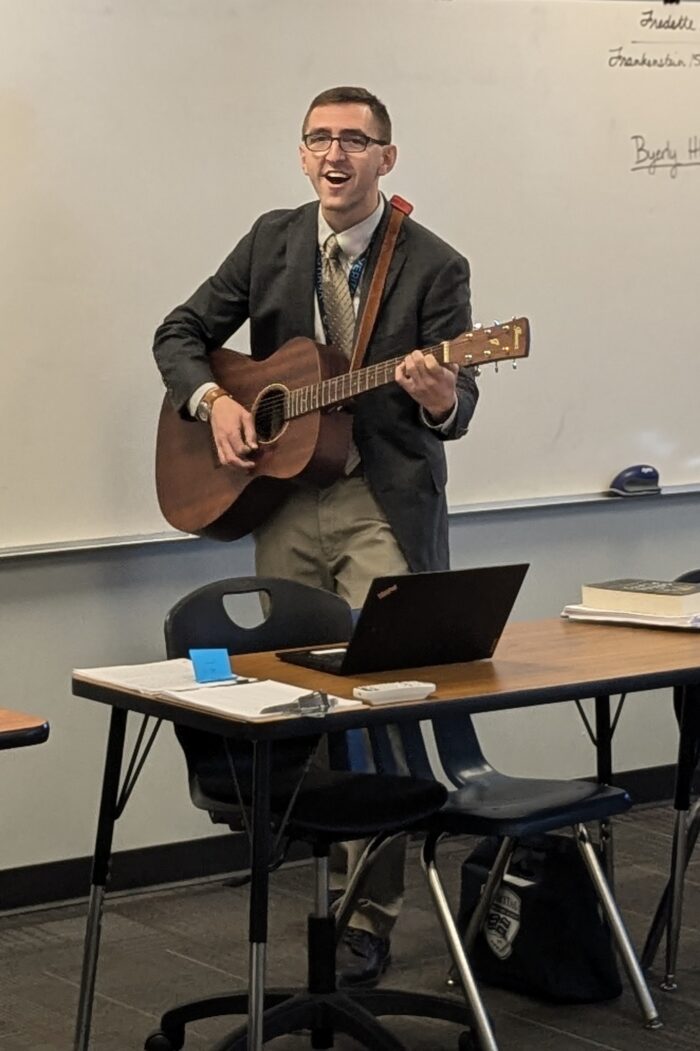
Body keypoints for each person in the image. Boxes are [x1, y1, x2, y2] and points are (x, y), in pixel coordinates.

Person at [153, 85, 479, 988]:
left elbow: (461, 403)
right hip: (287, 498)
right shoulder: (274, 239)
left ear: (387, 158)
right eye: (319, 139)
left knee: (382, 702)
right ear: (303, 155)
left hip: (382, 500)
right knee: (297, 698)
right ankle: (315, 885)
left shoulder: (435, 265)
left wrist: (442, 393)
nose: (336, 155)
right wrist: (214, 399)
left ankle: (368, 916)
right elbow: (180, 332)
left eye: (355, 141)